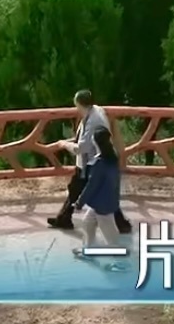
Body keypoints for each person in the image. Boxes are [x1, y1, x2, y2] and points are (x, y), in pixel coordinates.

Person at [48, 89, 132, 235]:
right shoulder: (96, 111)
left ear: (79, 104)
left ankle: (121, 224)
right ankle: (64, 218)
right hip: (93, 161)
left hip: (92, 163)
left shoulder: (93, 120)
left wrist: (63, 144)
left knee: (94, 191)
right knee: (76, 189)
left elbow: (81, 148)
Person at [72, 126, 127, 269]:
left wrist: (79, 203)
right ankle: (88, 251)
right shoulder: (112, 157)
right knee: (88, 223)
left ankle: (120, 263)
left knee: (110, 235)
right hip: (105, 201)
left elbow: (91, 186)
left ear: (95, 141)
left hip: (102, 205)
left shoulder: (99, 164)